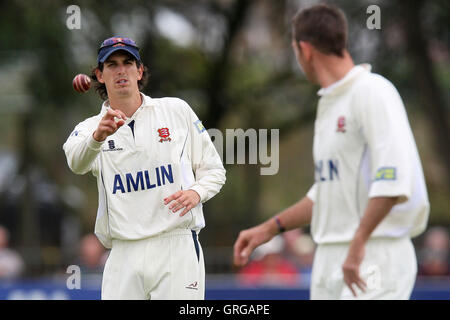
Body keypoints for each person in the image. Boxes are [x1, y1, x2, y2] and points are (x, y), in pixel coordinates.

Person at [233, 4, 430, 300]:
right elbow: (326, 192)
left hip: (372, 254)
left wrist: (358, 244)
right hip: (332, 256)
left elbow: (392, 180)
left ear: (305, 50)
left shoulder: (373, 91)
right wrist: (269, 229)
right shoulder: (331, 103)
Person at [63, 36, 226, 299]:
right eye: (112, 65)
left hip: (176, 244)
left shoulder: (176, 111)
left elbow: (214, 170)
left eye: (128, 63)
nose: (121, 70)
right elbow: (76, 163)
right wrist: (97, 137)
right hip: (123, 251)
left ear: (139, 71)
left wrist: (196, 192)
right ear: (99, 75)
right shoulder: (89, 128)